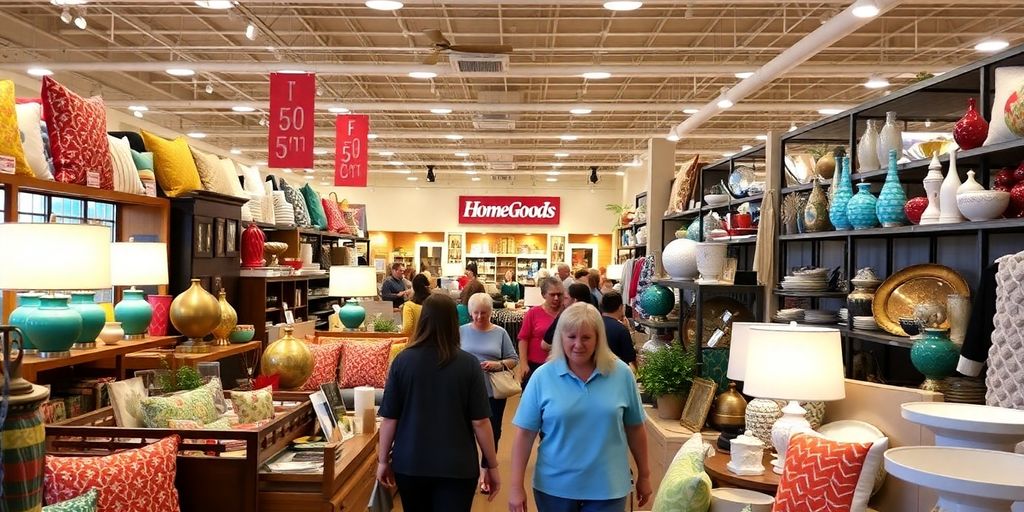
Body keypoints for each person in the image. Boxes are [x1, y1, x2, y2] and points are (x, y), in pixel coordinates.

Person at [508, 303, 652, 512]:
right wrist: (515, 486)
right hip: (554, 489)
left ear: (598, 339)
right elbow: (524, 435)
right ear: (560, 338)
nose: (578, 344)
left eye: (586, 337)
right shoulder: (542, 376)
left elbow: (636, 429)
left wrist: (645, 475)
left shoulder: (621, 374)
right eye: (571, 337)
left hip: (609, 489)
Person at [377, 294, 500, 511]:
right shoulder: (469, 364)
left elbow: (390, 419)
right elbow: (480, 422)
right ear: (454, 323)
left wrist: (383, 461)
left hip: (410, 461)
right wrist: (492, 464)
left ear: (423, 320)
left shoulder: (402, 361)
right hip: (457, 465)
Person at [459, 292, 519, 456]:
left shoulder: (500, 333)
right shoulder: (460, 332)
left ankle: (488, 465)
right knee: (464, 431)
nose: (479, 316)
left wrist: (497, 364)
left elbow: (513, 359)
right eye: (476, 312)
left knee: (493, 431)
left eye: (483, 312)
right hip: (465, 391)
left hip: (492, 392)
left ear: (490, 312)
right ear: (470, 312)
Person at [517, 277, 563, 386]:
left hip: (560, 366)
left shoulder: (567, 313)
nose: (556, 298)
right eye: (552, 294)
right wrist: (523, 363)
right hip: (535, 365)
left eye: (559, 294)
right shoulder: (533, 313)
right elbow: (523, 339)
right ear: (543, 295)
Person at [541, 282, 598, 347]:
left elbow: (545, 344)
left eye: (566, 298)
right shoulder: (596, 317)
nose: (563, 302)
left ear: (575, 301)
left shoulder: (565, 318)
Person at [599, 291, 637, 371]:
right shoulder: (621, 330)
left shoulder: (593, 324)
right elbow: (630, 357)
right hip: (616, 372)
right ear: (620, 307)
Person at [401, 274, 431, 341]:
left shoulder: (409, 306)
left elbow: (407, 329)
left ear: (414, 288)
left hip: (415, 342)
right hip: (434, 343)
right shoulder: (434, 303)